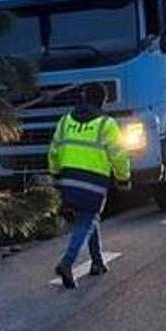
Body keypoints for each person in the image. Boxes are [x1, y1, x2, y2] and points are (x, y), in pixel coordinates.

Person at [47, 84, 130, 289]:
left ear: (84, 98)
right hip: (93, 181)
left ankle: (97, 261)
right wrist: (124, 177)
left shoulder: (65, 121)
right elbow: (118, 154)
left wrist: (55, 173)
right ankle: (67, 262)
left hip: (67, 179)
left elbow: (54, 150)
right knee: (87, 219)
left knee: (88, 216)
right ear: (103, 101)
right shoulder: (106, 124)